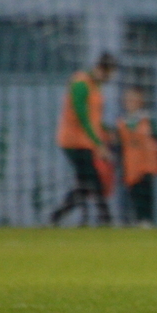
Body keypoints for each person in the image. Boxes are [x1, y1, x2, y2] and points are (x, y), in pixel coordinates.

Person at [51, 52, 116, 226]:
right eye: (109, 74)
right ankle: (106, 220)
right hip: (73, 142)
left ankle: (57, 216)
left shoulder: (95, 86)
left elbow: (94, 119)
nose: (109, 78)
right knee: (92, 180)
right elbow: (82, 117)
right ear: (102, 69)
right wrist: (99, 144)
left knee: (85, 184)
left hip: (86, 141)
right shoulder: (81, 83)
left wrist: (106, 131)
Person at [117, 86, 157, 227]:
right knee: (133, 193)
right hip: (131, 164)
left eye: (134, 100)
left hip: (146, 163)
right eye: (128, 100)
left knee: (146, 193)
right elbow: (118, 144)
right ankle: (138, 220)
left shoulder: (147, 120)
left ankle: (147, 220)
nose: (130, 103)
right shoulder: (122, 122)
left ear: (140, 102)